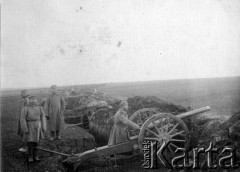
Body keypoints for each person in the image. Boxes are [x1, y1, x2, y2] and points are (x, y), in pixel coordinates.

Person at [20, 96, 46, 163]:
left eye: (34, 99)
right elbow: (22, 119)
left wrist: (43, 127)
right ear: (29, 100)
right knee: (30, 143)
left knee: (37, 142)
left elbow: (43, 118)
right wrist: (25, 128)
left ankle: (36, 156)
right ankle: (30, 156)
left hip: (38, 126)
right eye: (31, 100)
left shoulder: (40, 108)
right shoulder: (25, 108)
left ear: (36, 100)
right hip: (29, 126)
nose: (33, 101)